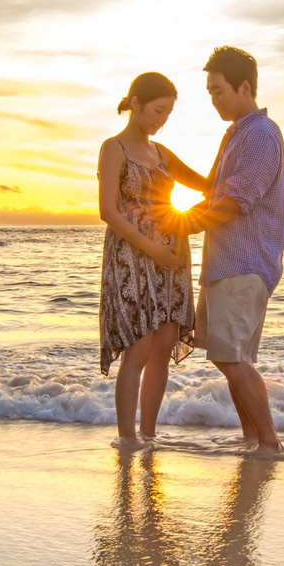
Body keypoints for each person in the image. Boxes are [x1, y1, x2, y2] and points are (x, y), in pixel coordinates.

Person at [167, 46, 284, 452]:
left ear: (244, 87)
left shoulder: (260, 135)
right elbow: (217, 194)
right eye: (209, 92)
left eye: (219, 91)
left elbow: (236, 200)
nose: (213, 99)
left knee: (232, 359)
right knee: (229, 358)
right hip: (226, 265)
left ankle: (269, 442)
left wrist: (186, 225)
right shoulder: (238, 133)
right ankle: (253, 440)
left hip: (244, 263)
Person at [98, 71, 211, 443]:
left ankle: (148, 435)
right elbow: (109, 212)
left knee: (163, 347)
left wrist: (191, 222)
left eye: (168, 114)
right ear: (135, 104)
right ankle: (127, 439)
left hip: (170, 256)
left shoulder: (162, 153)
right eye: (158, 111)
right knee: (139, 347)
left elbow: (208, 185)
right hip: (131, 256)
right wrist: (153, 249)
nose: (162, 120)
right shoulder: (114, 148)